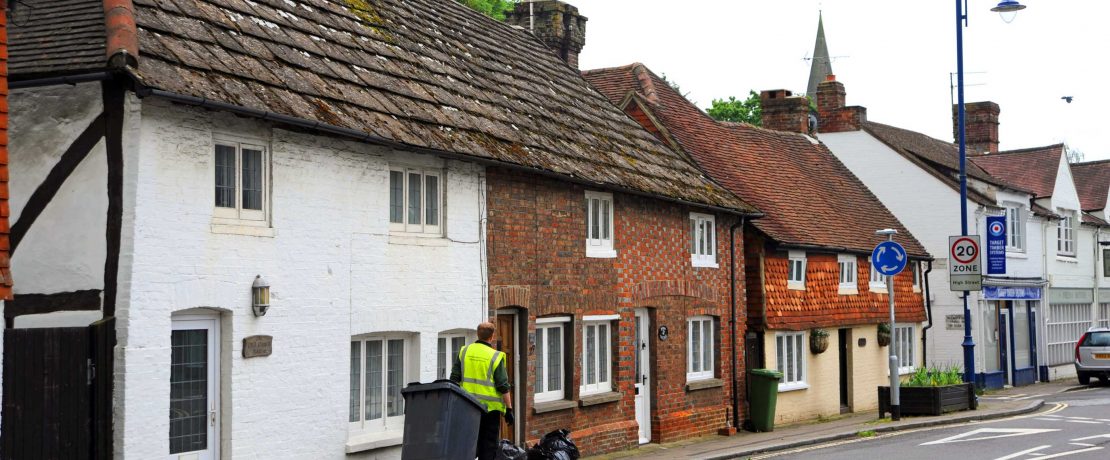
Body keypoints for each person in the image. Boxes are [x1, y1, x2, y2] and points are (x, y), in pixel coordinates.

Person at [451, 321, 513, 460]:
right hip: (489, 411)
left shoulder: (464, 351)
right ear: (492, 337)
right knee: (488, 447)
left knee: (468, 445)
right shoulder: (495, 356)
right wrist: (509, 410)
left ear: (478, 335)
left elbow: (454, 378)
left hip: (468, 407)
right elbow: (503, 385)